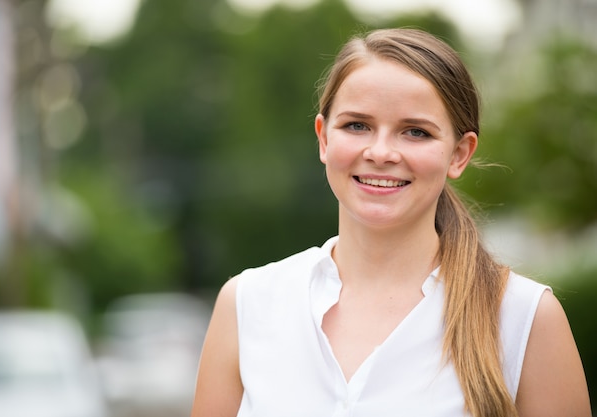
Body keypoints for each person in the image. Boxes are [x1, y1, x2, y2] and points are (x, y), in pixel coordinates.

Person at [191, 28, 591, 417]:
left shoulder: (525, 318)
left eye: (415, 132)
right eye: (357, 125)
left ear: (459, 154)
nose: (381, 152)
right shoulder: (246, 304)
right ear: (323, 139)